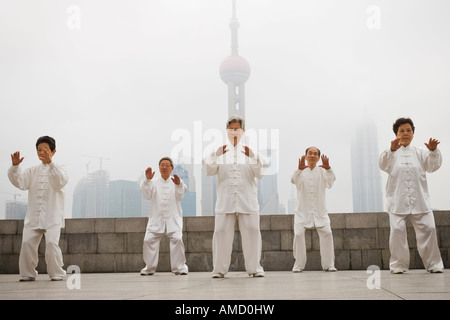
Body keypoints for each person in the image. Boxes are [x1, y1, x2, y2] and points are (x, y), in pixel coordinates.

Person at [203, 115, 268, 278]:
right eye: (230, 129)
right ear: (226, 131)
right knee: (220, 232)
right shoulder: (220, 151)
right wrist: (215, 154)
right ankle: (218, 269)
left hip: (248, 200)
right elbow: (208, 170)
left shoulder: (251, 151)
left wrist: (253, 157)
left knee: (253, 232)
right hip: (225, 201)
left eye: (237, 129)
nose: (233, 132)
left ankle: (255, 268)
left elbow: (260, 173)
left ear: (243, 131)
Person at [379, 117, 444, 274]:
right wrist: (392, 150)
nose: (405, 133)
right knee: (397, 233)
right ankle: (398, 265)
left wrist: (434, 151)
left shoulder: (421, 152)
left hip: (420, 200)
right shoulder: (391, 152)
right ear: (396, 134)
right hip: (397, 201)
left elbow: (432, 166)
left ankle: (434, 264)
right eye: (402, 130)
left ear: (413, 133)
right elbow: (383, 164)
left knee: (429, 229)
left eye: (409, 130)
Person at [8, 136, 69, 281]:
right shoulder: (32, 170)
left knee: (51, 243)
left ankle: (56, 273)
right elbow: (20, 183)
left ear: (53, 151)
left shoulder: (60, 168)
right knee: (27, 243)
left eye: (45, 149)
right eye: (39, 149)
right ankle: (27, 273)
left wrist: (50, 164)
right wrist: (15, 167)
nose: (42, 152)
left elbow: (59, 182)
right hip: (34, 216)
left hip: (52, 216)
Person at [140, 157, 189, 276]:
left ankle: (180, 268)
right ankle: (149, 268)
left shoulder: (178, 182)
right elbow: (147, 195)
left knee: (177, 239)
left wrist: (178, 184)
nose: (164, 167)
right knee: (148, 240)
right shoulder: (153, 182)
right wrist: (147, 180)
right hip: (156, 219)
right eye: (162, 165)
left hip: (173, 219)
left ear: (172, 168)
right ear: (159, 168)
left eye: (167, 165)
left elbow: (180, 195)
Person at [291, 147, 337, 272]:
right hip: (302, 212)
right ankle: (299, 265)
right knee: (298, 234)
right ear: (305, 156)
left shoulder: (323, 171)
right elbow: (294, 180)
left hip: (320, 212)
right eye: (310, 153)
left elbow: (330, 182)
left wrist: (328, 168)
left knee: (327, 233)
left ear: (318, 158)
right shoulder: (300, 171)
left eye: (315, 154)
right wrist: (299, 169)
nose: (312, 156)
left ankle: (329, 265)